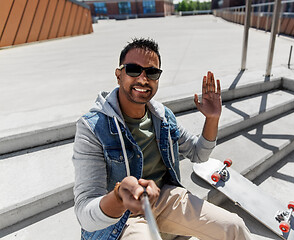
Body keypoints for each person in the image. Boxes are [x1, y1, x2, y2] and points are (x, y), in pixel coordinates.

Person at [72, 38, 252, 240]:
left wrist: (212, 118)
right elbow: (84, 212)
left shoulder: (162, 117)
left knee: (234, 227)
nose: (142, 79)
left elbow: (198, 154)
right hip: (121, 217)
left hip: (163, 199)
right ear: (118, 75)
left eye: (151, 72)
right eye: (133, 69)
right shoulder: (93, 127)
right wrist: (119, 196)